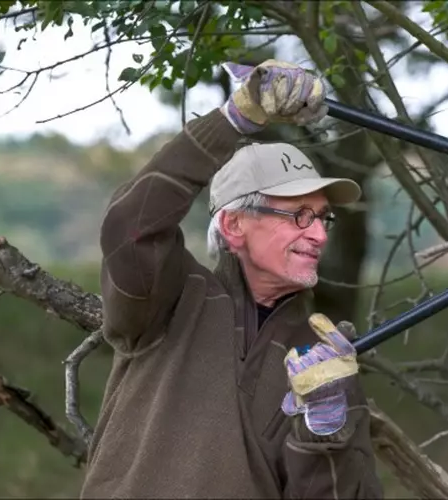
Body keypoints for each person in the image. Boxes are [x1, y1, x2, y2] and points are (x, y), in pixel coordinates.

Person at [80, 60, 383, 499]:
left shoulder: (324, 360)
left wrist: (327, 430)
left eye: (322, 218)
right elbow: (131, 227)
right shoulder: (168, 298)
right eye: (298, 215)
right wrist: (231, 121)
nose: (318, 234)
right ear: (235, 226)